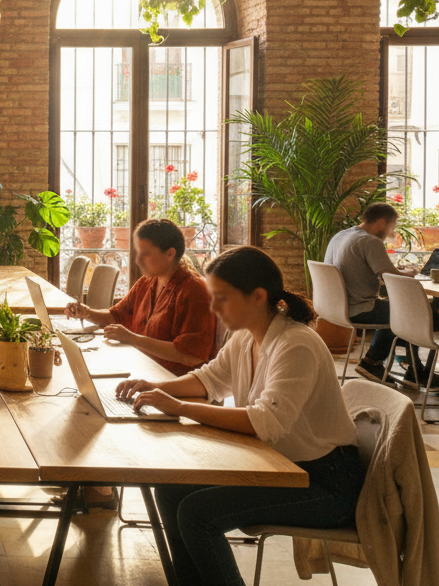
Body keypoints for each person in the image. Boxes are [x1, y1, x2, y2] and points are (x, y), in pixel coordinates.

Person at [119, 246, 365, 586]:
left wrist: (179, 408)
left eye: (222, 297)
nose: (213, 307)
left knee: (197, 513)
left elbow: (265, 422)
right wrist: (156, 386)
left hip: (327, 483)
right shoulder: (245, 336)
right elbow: (210, 379)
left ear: (257, 297)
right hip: (281, 467)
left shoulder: (296, 344)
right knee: (171, 489)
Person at [325, 202, 439, 392]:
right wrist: (409, 274)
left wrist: (397, 271)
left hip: (339, 307)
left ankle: (414, 368)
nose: (390, 233)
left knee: (412, 312)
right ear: (381, 223)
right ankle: (374, 361)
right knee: (429, 316)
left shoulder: (341, 236)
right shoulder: (370, 241)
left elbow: (382, 271)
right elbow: (390, 277)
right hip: (361, 308)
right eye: (392, 227)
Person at [65, 219, 216, 376]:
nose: (138, 260)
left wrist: (133, 339)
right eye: (138, 253)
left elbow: (190, 356)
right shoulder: (148, 281)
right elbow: (116, 316)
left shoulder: (195, 291)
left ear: (170, 253)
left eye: (146, 254)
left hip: (175, 384)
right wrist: (87, 313)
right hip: (143, 371)